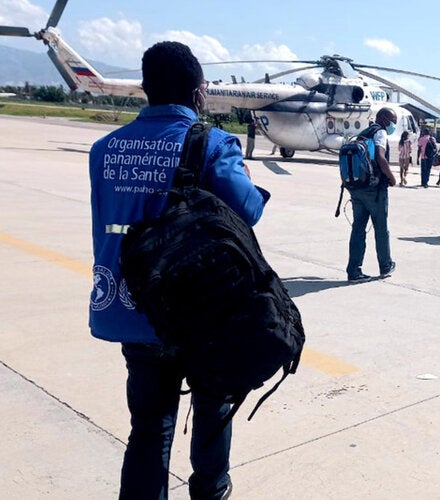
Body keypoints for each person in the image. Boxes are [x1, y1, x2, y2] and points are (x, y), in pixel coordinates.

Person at [88, 41, 269, 500]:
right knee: (212, 405)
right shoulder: (211, 144)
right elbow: (247, 209)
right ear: (198, 93)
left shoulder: (104, 149)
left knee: (148, 428)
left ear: (146, 89)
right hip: (199, 311)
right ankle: (210, 491)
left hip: (132, 305)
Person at [345, 107, 398, 281]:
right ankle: (385, 265)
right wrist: (391, 177)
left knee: (358, 229)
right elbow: (381, 157)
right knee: (381, 228)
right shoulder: (380, 133)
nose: (393, 125)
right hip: (374, 190)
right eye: (392, 121)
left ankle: (354, 270)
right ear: (383, 119)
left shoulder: (363, 133)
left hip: (357, 187)